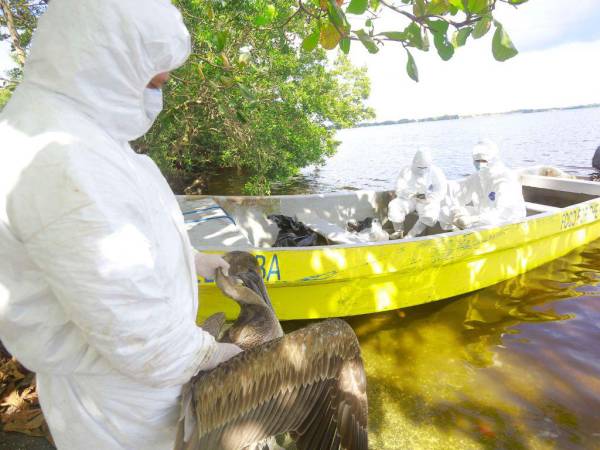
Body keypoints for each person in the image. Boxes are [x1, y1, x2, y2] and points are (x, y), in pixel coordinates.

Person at [0, 1, 242, 449]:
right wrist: (209, 353)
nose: (158, 94)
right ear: (103, 59)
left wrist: (189, 261)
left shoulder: (80, 134)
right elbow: (135, 332)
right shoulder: (61, 155)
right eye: (151, 82)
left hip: (136, 379)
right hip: (123, 402)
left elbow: (114, 246)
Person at [450, 140, 527, 229]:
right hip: (485, 218)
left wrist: (475, 219)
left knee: (479, 221)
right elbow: (460, 195)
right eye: (476, 160)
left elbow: (503, 212)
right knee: (447, 212)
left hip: (509, 223)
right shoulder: (477, 176)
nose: (479, 164)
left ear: (493, 159)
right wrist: (457, 212)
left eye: (483, 160)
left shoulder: (505, 178)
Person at [387, 149, 448, 238]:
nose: (422, 170)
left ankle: (411, 236)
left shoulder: (436, 172)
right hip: (409, 199)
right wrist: (411, 194)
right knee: (394, 206)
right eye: (419, 167)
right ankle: (398, 232)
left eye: (424, 168)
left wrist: (429, 198)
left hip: (427, 201)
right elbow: (399, 188)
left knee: (430, 214)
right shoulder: (406, 170)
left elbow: (441, 191)